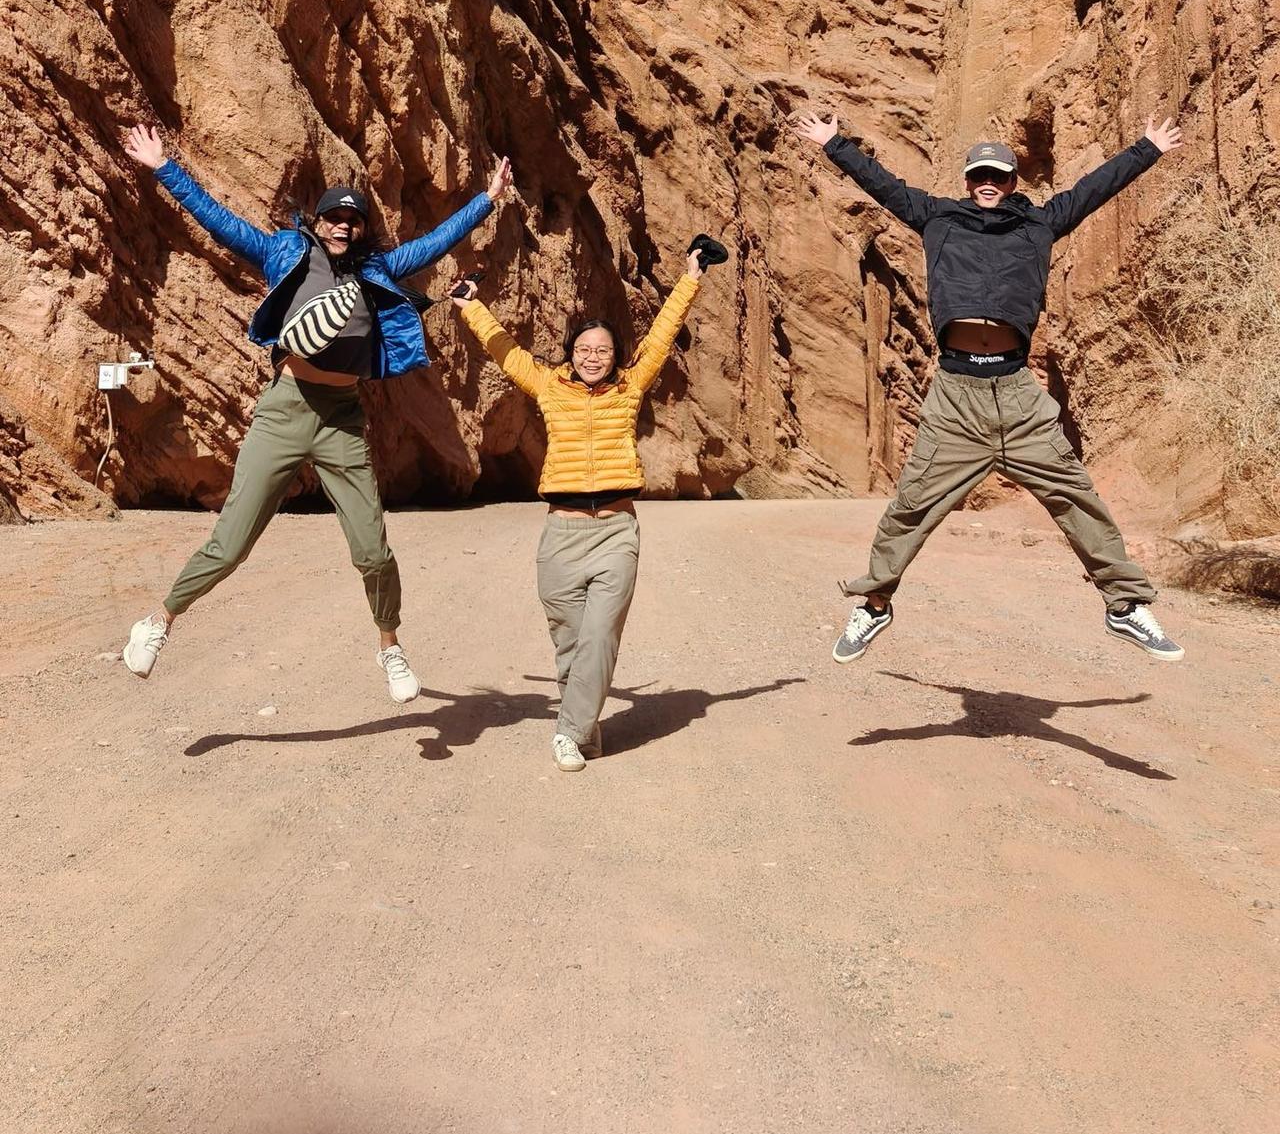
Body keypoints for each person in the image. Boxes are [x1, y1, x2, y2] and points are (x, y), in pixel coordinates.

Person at [120, 124, 512, 698]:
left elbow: (433, 243)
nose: (343, 227)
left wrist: (487, 200)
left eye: (353, 221)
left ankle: (391, 647)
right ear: (318, 221)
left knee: (372, 548)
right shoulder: (287, 250)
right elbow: (221, 222)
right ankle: (159, 622)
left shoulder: (377, 268)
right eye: (334, 217)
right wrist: (165, 169)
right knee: (230, 543)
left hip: (342, 417)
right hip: (285, 408)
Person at [793, 111, 1185, 663]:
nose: (988, 184)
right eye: (980, 174)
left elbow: (1096, 189)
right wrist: (834, 143)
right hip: (956, 393)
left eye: (998, 176)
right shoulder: (936, 218)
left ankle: (1124, 607)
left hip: (1017, 392)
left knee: (1075, 496)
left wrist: (1147, 147)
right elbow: (881, 184)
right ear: (967, 178)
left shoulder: (1041, 224)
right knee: (912, 505)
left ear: (1011, 182)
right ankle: (874, 603)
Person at [448, 237, 725, 772]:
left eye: (602, 350)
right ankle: (586, 726)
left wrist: (691, 276)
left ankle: (567, 731)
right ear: (570, 353)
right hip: (561, 535)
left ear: (616, 355)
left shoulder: (630, 385)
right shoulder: (550, 386)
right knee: (570, 643)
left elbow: (663, 333)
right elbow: (504, 350)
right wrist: (470, 306)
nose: (593, 357)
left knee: (600, 636)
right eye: (583, 349)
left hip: (616, 532)